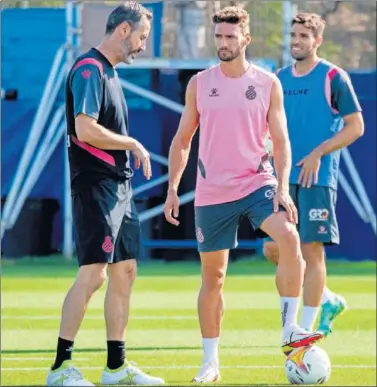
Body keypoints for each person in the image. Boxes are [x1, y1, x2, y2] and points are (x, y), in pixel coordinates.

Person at [163, 6, 324, 383]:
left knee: (288, 235)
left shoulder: (268, 83)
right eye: (218, 36)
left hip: (257, 182)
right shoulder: (199, 84)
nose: (223, 43)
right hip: (212, 191)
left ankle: (289, 331)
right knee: (213, 278)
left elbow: (282, 143)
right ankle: (210, 363)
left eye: (230, 37)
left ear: (245, 39)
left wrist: (283, 188)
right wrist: (172, 187)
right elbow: (182, 140)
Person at [46, 2, 165, 386]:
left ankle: (116, 368)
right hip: (96, 184)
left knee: (125, 271)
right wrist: (132, 142)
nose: (143, 46)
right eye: (142, 37)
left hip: (119, 187)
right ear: (124, 30)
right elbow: (85, 129)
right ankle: (61, 368)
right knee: (94, 274)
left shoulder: (110, 72)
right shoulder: (89, 69)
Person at [263, 13, 364, 337]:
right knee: (274, 249)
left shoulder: (333, 76)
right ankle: (327, 299)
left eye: (304, 36)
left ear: (317, 41)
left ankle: (304, 330)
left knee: (310, 250)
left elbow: (356, 127)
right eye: (293, 35)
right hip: (281, 178)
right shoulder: (277, 77)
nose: (297, 41)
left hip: (316, 179)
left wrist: (318, 153)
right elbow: (268, 127)